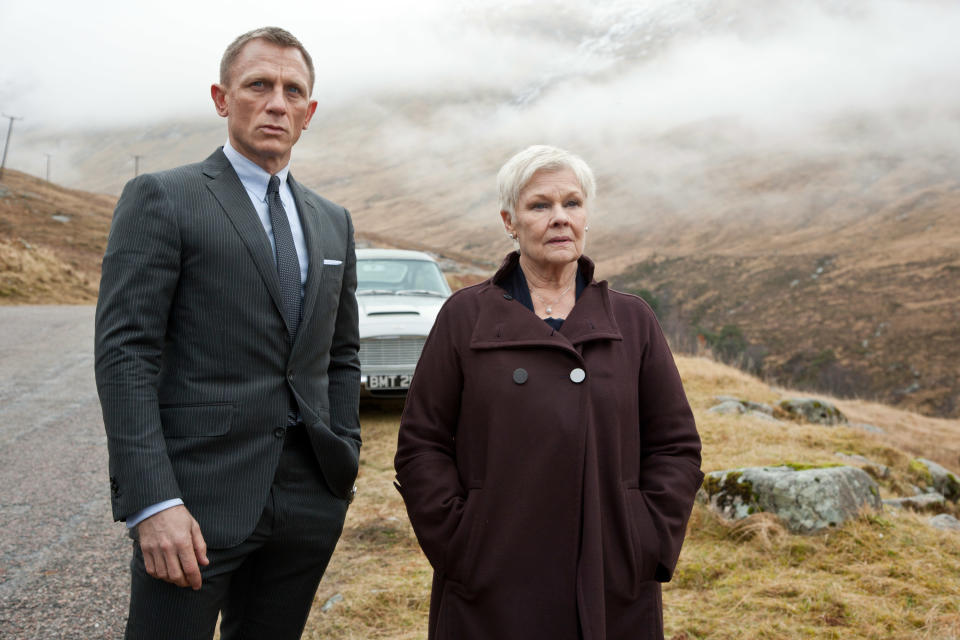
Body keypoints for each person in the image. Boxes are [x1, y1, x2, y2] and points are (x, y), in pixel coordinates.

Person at [95, 26, 360, 639]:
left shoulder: (332, 220)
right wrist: (153, 502)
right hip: (192, 507)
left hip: (307, 507)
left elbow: (340, 355)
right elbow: (124, 355)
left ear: (309, 112)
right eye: (258, 85)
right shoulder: (163, 198)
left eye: (294, 91)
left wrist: (341, 456)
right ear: (221, 98)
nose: (277, 103)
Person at [394, 145, 703, 640]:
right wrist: (463, 540)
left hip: (611, 571)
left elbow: (675, 446)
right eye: (540, 206)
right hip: (493, 576)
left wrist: (644, 536)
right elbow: (422, 445)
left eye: (572, 204)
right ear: (509, 221)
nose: (560, 218)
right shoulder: (465, 317)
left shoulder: (632, 320)